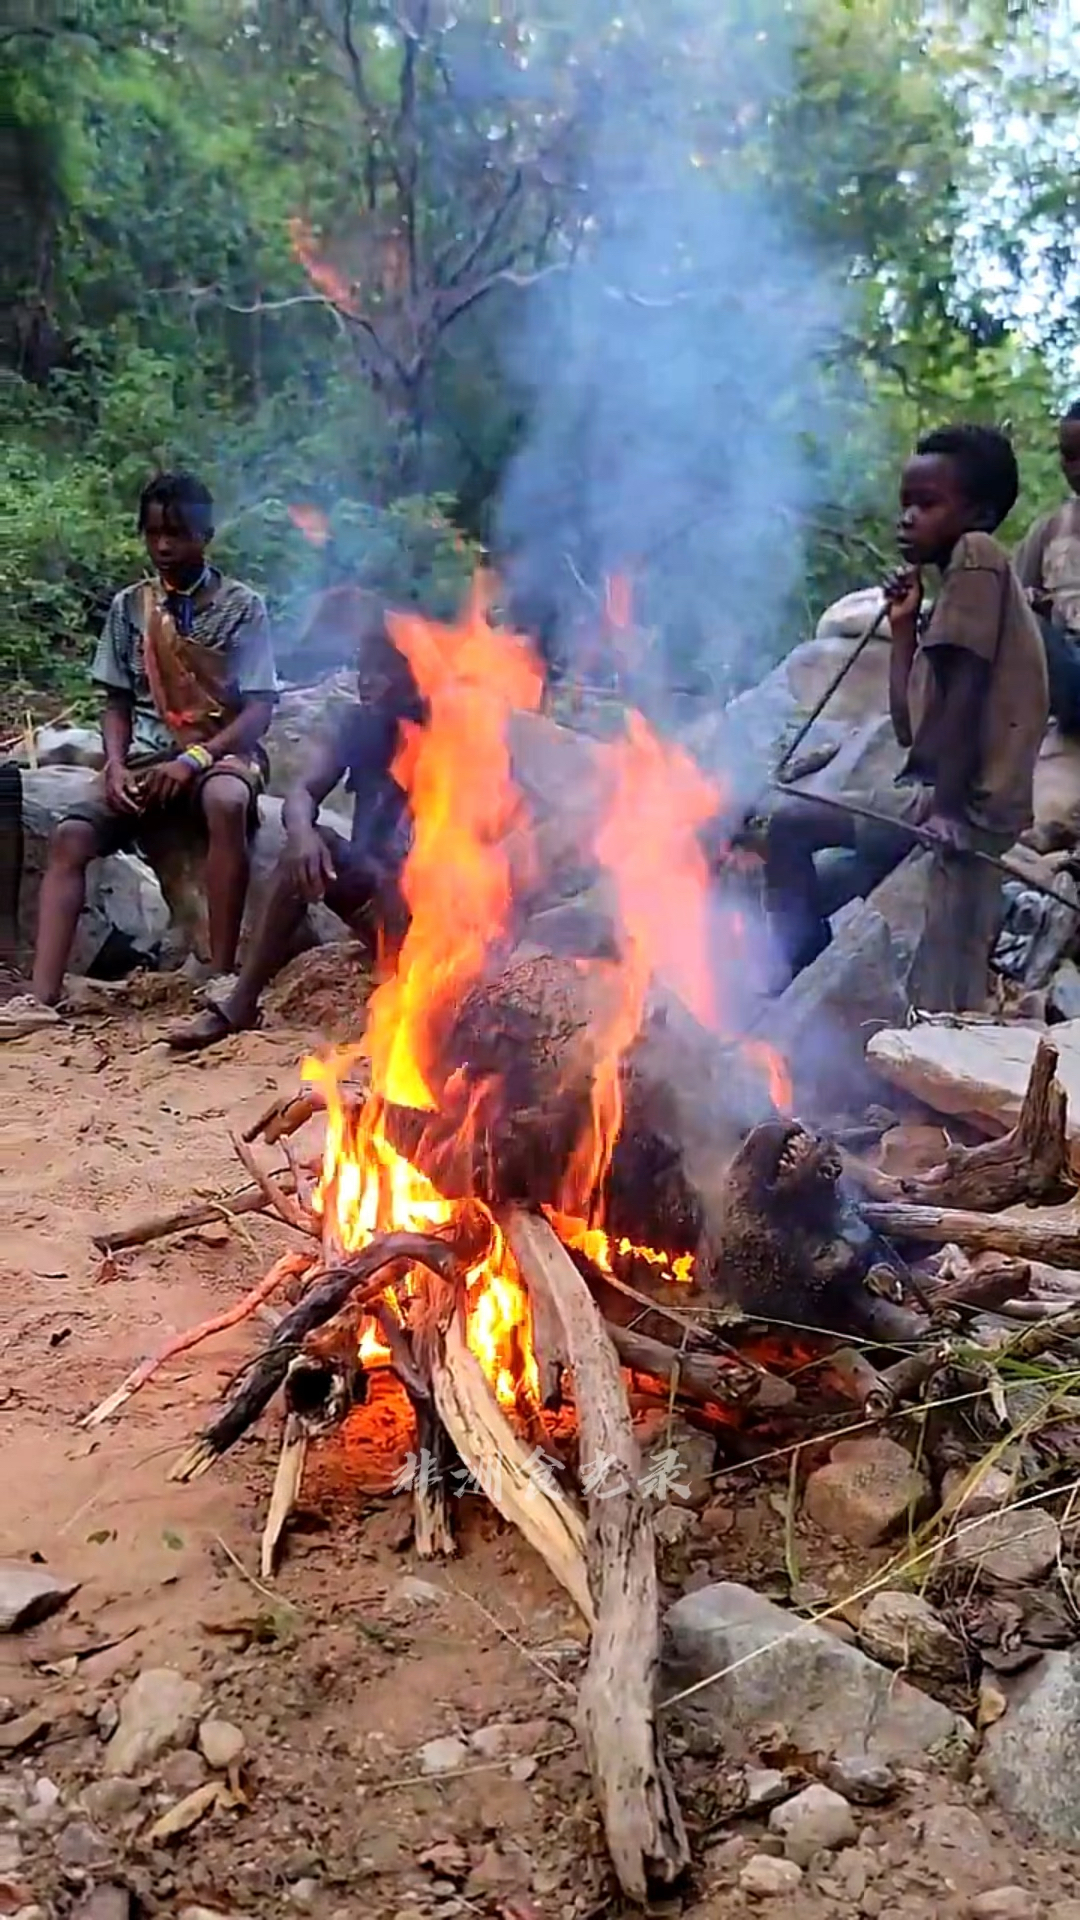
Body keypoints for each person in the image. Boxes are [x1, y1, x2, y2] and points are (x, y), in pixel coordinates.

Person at [763, 424, 1048, 1012]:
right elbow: (909, 727)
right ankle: (803, 963)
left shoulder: (979, 558)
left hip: (968, 808)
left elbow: (967, 692)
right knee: (795, 833)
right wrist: (901, 628)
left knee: (945, 975)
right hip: (938, 797)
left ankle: (808, 971)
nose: (907, 519)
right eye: (905, 505)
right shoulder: (955, 593)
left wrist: (944, 809)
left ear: (979, 514)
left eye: (927, 504)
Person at [0, 471, 277, 1034]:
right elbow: (117, 701)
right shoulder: (131, 607)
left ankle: (224, 976)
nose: (164, 547)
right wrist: (118, 765)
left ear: (207, 535)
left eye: (177, 534)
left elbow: (259, 711)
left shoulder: (244, 608)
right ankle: (42, 997)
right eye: (153, 535)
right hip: (147, 758)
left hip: (220, 754)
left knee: (226, 803)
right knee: (72, 837)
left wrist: (196, 759)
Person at [167, 588, 423, 1051]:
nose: (367, 681)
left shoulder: (457, 731)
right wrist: (303, 834)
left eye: (381, 669)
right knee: (305, 848)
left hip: (440, 922)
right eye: (363, 666)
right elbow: (302, 791)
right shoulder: (358, 725)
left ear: (414, 672)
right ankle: (241, 1003)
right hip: (378, 901)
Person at [1013, 399, 1080, 731]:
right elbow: (1018, 602)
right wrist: (1031, 604)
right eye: (1069, 456)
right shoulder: (1049, 531)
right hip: (1064, 675)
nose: (1077, 468)